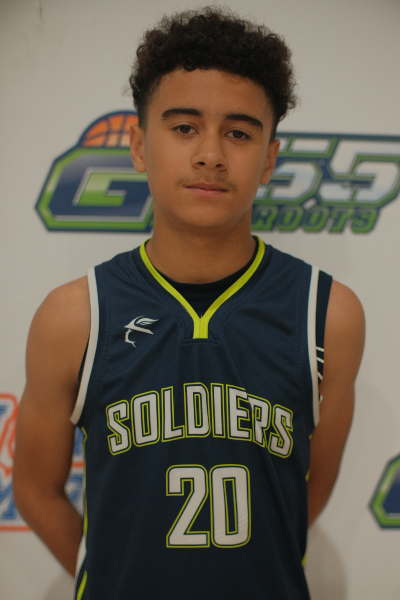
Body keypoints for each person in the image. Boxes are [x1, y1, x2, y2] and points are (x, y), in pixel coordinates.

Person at [13, 7, 365, 599]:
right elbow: (33, 489)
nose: (210, 155)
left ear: (270, 158)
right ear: (138, 145)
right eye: (183, 128)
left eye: (239, 133)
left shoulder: (328, 314)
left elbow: (310, 487)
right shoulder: (75, 316)